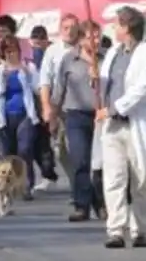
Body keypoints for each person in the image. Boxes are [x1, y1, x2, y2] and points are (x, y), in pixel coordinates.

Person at [97, 6, 146, 249]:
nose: (114, 29)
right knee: (114, 179)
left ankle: (139, 230)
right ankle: (115, 230)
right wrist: (94, 79)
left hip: (136, 124)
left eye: (117, 24)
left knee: (139, 180)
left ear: (126, 27)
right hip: (112, 127)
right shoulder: (113, 53)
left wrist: (116, 107)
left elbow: (143, 87)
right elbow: (105, 84)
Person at [52, 20, 106, 222]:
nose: (96, 40)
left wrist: (98, 76)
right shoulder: (69, 59)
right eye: (92, 36)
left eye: (98, 36)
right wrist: (53, 115)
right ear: (82, 38)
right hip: (75, 115)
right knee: (80, 160)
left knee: (101, 163)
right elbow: (59, 90)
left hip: (101, 115)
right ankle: (81, 204)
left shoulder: (106, 58)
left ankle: (102, 204)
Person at [37, 14, 80, 192]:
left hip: (78, 105)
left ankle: (82, 188)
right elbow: (45, 81)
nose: (69, 32)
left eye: (73, 27)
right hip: (58, 106)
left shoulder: (83, 49)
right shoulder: (53, 51)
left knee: (78, 149)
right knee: (62, 151)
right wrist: (47, 107)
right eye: (65, 28)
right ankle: (75, 182)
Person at [0, 35, 39, 199]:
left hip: (25, 114)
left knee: (24, 149)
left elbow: (37, 88)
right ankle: (9, 186)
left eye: (14, 51)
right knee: (6, 153)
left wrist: (27, 74)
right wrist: (2, 80)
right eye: (8, 51)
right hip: (4, 116)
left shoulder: (28, 67)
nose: (11, 54)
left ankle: (27, 185)